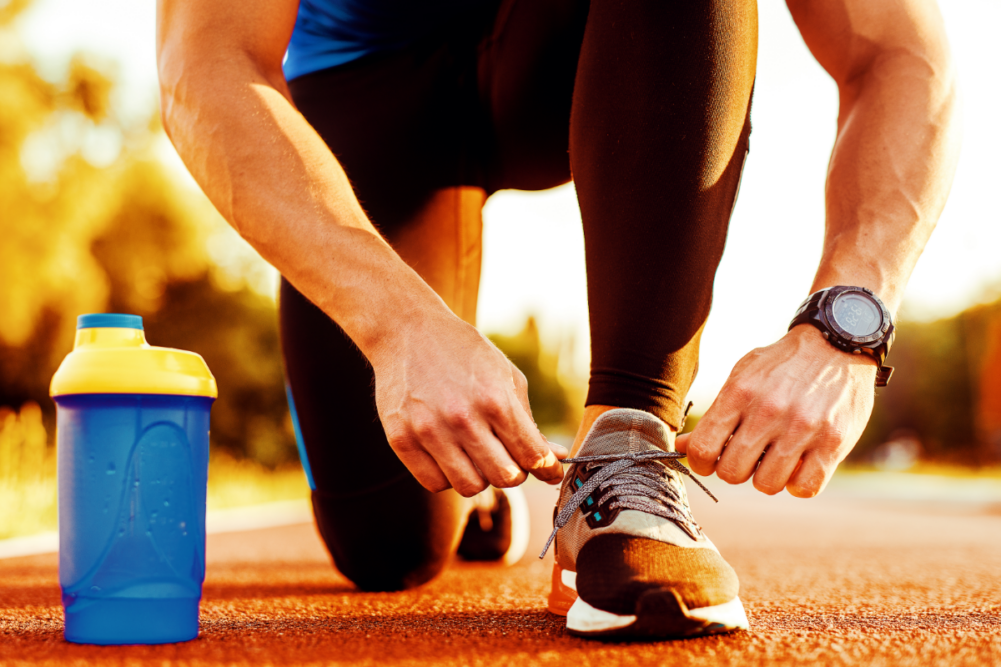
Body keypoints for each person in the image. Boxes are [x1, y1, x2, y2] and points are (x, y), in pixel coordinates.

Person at [156, 0, 960, 639]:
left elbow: (898, 51)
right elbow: (205, 63)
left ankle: (623, 455)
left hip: (585, 44)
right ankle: (481, 495)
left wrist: (846, 324)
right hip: (370, 79)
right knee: (386, 548)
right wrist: (396, 326)